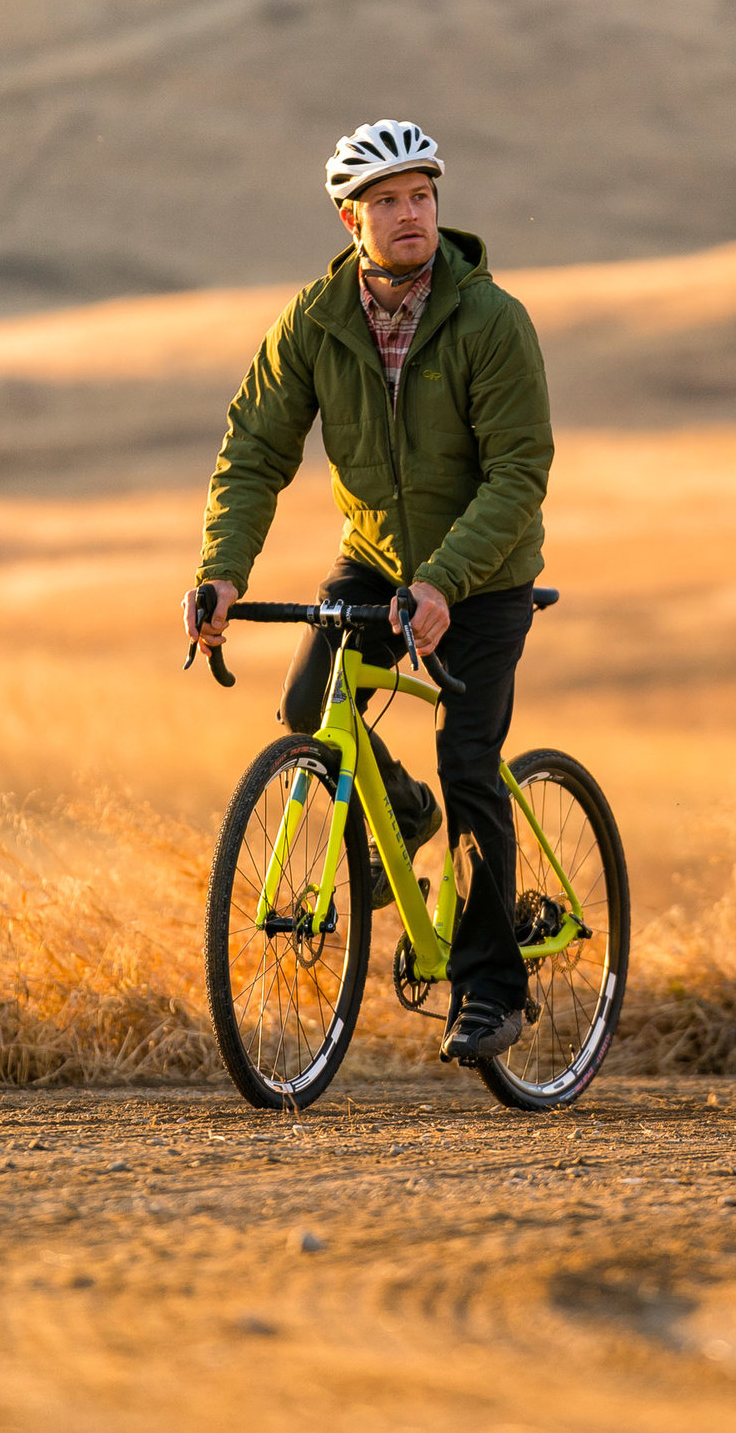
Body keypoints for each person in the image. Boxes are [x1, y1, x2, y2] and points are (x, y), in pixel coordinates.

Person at [183, 119, 553, 1064]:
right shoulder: (315, 320)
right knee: (309, 707)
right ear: (352, 219)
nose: (409, 215)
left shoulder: (492, 319)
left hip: (486, 572)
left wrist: (444, 582)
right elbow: (255, 449)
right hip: (380, 560)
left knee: (469, 755)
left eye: (421, 196)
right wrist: (222, 571)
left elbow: (517, 472)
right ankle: (404, 814)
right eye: (387, 201)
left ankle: (490, 988)